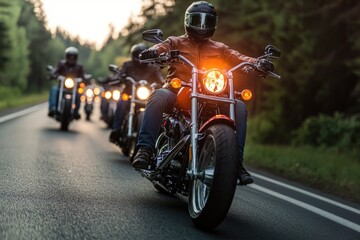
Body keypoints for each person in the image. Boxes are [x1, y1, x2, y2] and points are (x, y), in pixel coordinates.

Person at [132, 1, 274, 185]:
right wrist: (152, 52)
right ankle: (145, 149)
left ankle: (236, 164)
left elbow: (239, 58)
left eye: (207, 21)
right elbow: (161, 48)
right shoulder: (175, 42)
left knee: (238, 105)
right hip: (177, 92)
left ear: (213, 24)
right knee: (157, 96)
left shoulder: (220, 48)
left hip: (210, 95)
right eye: (197, 20)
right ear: (187, 21)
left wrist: (257, 63)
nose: (201, 25)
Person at [109, 43, 164, 143]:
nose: (140, 56)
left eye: (142, 54)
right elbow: (120, 74)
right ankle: (116, 129)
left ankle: (154, 138)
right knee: (121, 103)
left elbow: (160, 79)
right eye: (137, 54)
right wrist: (119, 78)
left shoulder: (153, 67)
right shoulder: (127, 65)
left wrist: (161, 83)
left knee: (156, 109)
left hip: (146, 96)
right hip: (129, 94)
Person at [48, 46, 86, 119]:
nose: (71, 58)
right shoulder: (61, 64)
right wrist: (53, 74)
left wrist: (85, 79)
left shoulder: (79, 66)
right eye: (70, 56)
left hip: (74, 88)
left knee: (79, 94)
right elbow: (55, 70)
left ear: (76, 57)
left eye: (73, 56)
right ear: (66, 56)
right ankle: (52, 108)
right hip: (61, 86)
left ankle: (76, 111)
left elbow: (83, 75)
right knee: (54, 89)